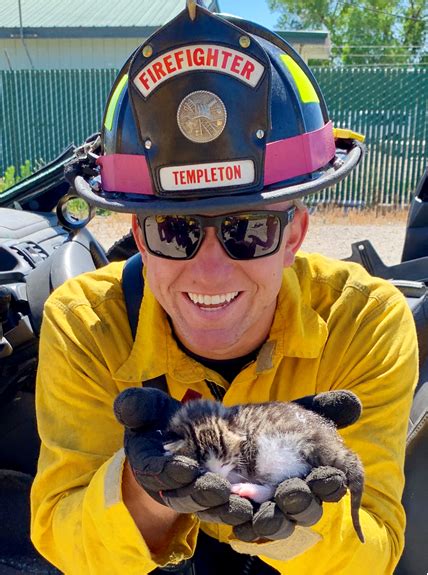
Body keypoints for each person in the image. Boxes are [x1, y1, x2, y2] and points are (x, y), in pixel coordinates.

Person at [30, 2, 418, 574]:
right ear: (137, 234)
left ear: (296, 234)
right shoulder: (86, 324)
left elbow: (374, 550)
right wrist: (146, 490)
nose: (209, 272)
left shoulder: (365, 323)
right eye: (174, 230)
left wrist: (290, 520)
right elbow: (63, 540)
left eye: (248, 230)